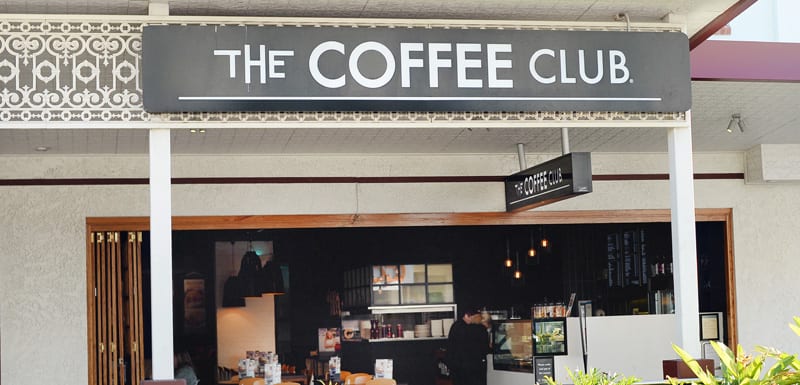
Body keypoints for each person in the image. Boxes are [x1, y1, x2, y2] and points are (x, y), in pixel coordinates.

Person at [446, 308, 491, 385]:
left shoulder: (455, 326)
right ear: (468, 316)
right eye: (477, 317)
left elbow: (451, 347)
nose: (478, 319)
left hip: (457, 369)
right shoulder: (479, 329)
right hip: (474, 370)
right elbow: (485, 349)